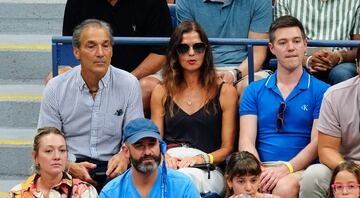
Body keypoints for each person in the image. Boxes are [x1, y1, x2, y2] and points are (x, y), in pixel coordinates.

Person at [38, 19, 144, 191]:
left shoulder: (129, 84)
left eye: (106, 45)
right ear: (76, 52)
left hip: (113, 167)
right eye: (91, 46)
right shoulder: (56, 87)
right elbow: (45, 141)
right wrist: (68, 166)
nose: (100, 53)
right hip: (69, 166)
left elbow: (135, 134)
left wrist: (124, 157)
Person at [239, 16, 330, 197]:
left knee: (284, 187)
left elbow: (317, 143)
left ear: (305, 44)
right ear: (272, 48)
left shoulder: (323, 91)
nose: (291, 48)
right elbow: (246, 140)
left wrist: (287, 168)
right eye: (283, 42)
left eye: (296, 41)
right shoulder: (253, 90)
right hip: (261, 168)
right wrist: (258, 172)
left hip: (300, 168)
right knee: (245, 186)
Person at [151, 20, 237, 196]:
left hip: (207, 165)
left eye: (198, 47)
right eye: (183, 48)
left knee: (181, 181)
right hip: (170, 162)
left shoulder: (225, 91)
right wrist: (163, 157)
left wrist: (201, 158)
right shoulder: (161, 90)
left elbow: (227, 148)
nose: (191, 53)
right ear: (175, 53)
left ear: (206, 51)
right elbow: (155, 140)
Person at [58, 0, 173, 113]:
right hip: (91, 74)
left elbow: (161, 54)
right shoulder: (76, 3)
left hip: (138, 76)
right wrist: (93, 80)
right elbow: (70, 49)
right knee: (55, 78)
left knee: (148, 87)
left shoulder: (154, 2)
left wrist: (126, 79)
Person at [299, 47, 360, 198]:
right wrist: (349, 172)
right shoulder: (335, 96)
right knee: (314, 176)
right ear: (358, 65)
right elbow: (326, 149)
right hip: (344, 166)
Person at [176, 0, 273, 95]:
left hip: (245, 71)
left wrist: (234, 74)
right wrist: (208, 75)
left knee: (251, 88)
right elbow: (189, 50)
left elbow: (257, 54)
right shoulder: (185, 1)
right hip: (202, 69)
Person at [99, 118, 199, 197]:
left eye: (152, 144)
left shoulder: (182, 186)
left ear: (160, 146)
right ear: (126, 151)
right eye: (139, 145)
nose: (147, 152)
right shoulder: (111, 193)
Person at [275, 0, 360, 85]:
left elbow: (357, 48)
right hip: (298, 59)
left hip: (342, 62)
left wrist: (339, 56)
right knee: (293, 70)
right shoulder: (284, 1)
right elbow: (281, 43)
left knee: (342, 74)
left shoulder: (356, 2)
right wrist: (307, 60)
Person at [7, 127, 98, 197]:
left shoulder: (85, 191)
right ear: (35, 157)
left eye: (62, 150)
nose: (57, 157)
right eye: (49, 151)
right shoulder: (17, 193)